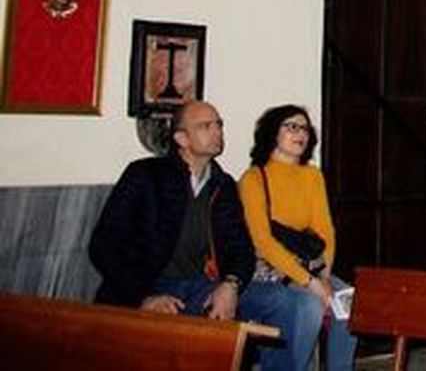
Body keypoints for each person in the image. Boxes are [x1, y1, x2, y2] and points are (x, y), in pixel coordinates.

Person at [88, 101, 308, 371]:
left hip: (203, 286)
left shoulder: (222, 184)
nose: (217, 131)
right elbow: (103, 245)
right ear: (181, 138)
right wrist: (143, 297)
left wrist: (230, 285)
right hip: (151, 285)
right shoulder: (145, 175)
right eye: (206, 126)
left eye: (219, 125)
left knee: (285, 301)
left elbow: (241, 248)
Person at [238, 105, 358, 371]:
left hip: (310, 266)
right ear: (272, 132)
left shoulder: (312, 175)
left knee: (349, 302)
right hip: (271, 269)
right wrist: (310, 283)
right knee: (310, 305)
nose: (300, 134)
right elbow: (263, 242)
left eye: (304, 128)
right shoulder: (254, 178)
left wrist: (324, 276)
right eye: (291, 127)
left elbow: (325, 230)